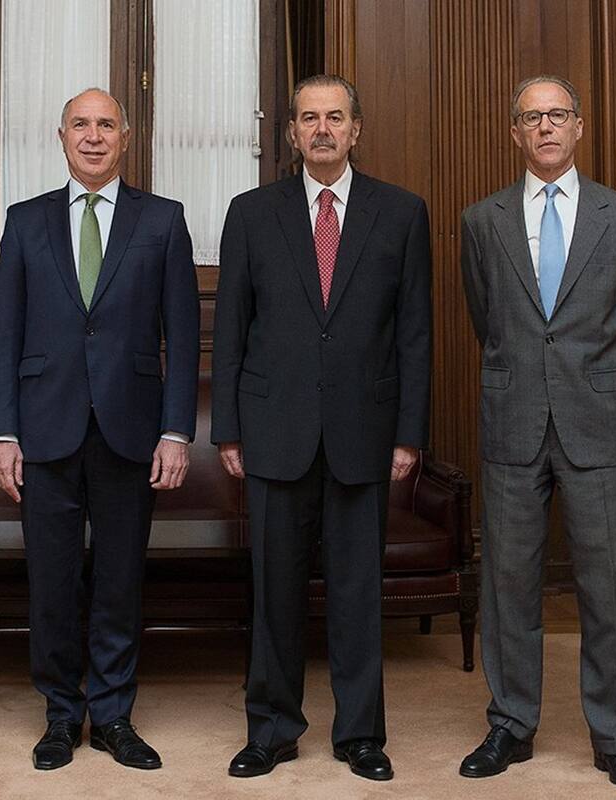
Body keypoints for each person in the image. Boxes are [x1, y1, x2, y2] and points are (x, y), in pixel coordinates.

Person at [212, 74, 431, 782]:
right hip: (274, 432)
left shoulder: (401, 214)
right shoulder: (251, 213)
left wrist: (408, 434)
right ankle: (271, 729)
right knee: (273, 593)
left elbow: (415, 336)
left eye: (335, 117)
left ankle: (361, 735)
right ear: (292, 132)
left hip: (364, 433)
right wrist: (229, 432)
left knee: (357, 593)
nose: (322, 129)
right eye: (309, 117)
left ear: (356, 129)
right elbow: (233, 333)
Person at [0, 88, 199, 771]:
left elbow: (184, 338)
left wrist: (176, 430)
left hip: (130, 430)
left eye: (107, 124)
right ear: (61, 136)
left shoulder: (163, 221)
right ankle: (58, 715)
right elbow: (4, 337)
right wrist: (2, 434)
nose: (94, 135)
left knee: (118, 581)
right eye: (82, 124)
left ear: (127, 137)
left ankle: (112, 715)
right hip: (44, 430)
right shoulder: (24, 222)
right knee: (51, 583)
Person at [458, 75, 616, 793]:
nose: (545, 127)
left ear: (580, 126)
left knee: (608, 587)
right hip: (512, 421)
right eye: (530, 118)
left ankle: (615, 739)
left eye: (557, 115)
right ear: (515, 133)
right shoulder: (481, 222)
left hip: (596, 421)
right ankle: (510, 725)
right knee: (508, 585)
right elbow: (488, 321)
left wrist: (591, 378)